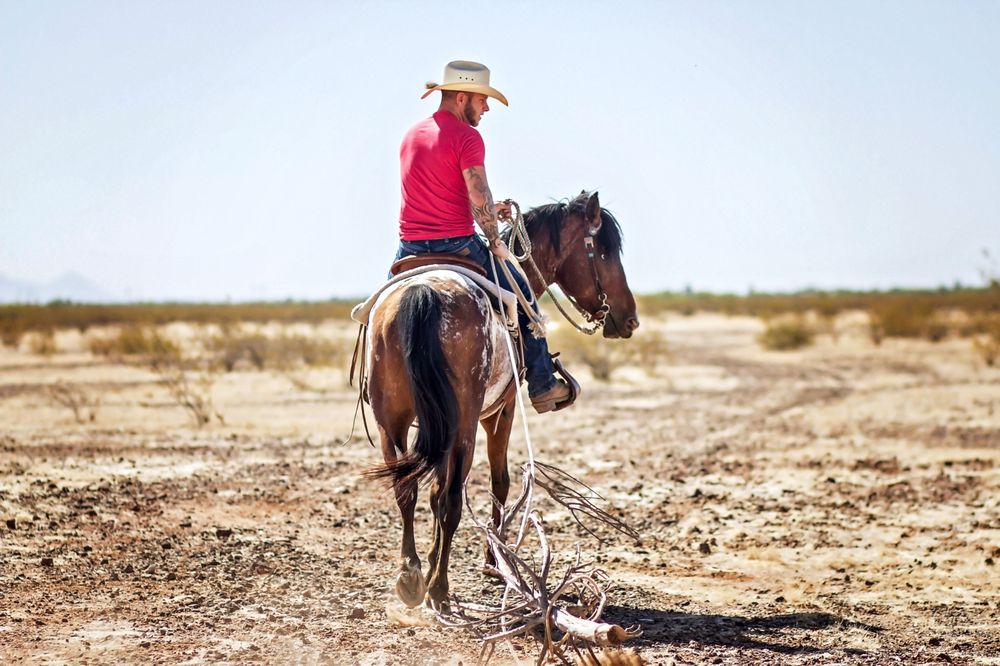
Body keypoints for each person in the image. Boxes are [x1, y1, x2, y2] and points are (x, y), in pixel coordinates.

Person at [392, 59, 576, 413]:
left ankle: (371, 385)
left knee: (377, 316)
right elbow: (478, 194)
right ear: (461, 98)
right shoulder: (467, 136)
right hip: (458, 245)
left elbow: (440, 189)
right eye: (482, 100)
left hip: (409, 249)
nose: (487, 108)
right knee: (523, 296)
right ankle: (542, 383)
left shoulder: (411, 133)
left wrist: (495, 206)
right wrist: (494, 237)